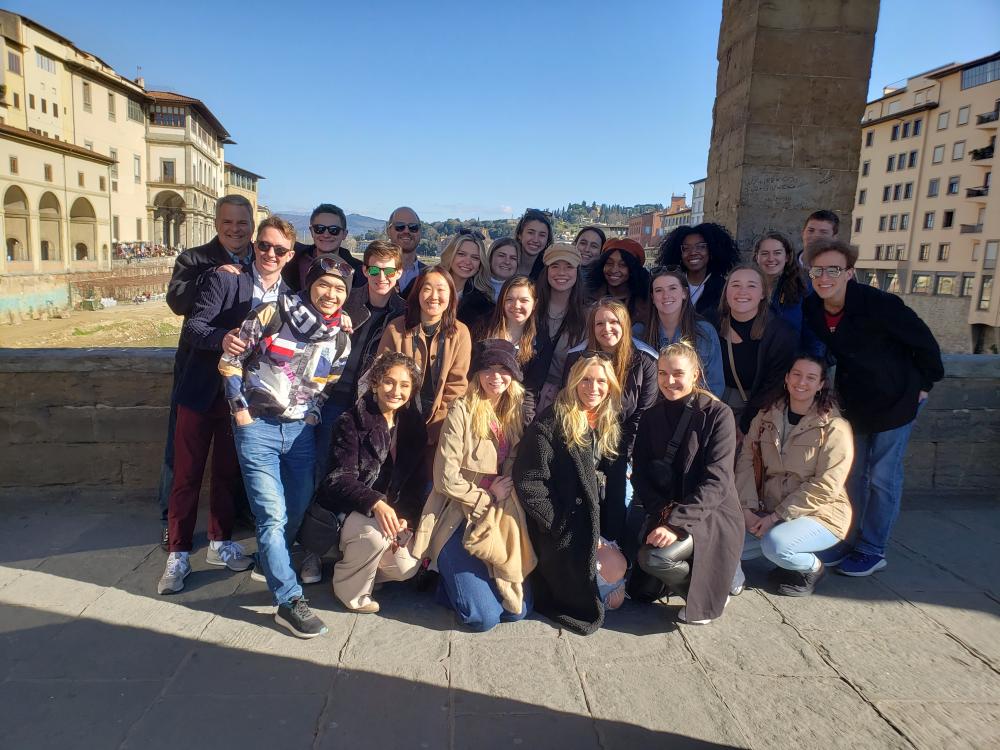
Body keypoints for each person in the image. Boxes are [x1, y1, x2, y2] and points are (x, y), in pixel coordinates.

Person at [220, 250, 353, 638]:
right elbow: (230, 360)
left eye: (339, 289)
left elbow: (329, 381)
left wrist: (313, 414)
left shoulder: (340, 337)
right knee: (272, 515)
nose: (330, 294)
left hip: (299, 433)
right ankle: (289, 601)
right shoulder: (271, 312)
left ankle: (268, 560)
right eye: (324, 284)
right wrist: (239, 410)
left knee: (296, 507)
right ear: (310, 284)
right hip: (257, 426)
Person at [157, 212, 283, 594]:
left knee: (228, 475)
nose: (270, 253)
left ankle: (219, 543)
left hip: (241, 400)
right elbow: (194, 326)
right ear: (255, 245)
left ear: (290, 255)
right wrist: (223, 339)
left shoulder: (287, 294)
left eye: (279, 249)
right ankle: (177, 553)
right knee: (187, 475)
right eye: (265, 246)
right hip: (200, 391)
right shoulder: (224, 276)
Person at [802, 237, 943, 576]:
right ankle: (846, 537)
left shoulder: (880, 304)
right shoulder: (813, 307)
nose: (824, 277)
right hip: (856, 401)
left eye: (833, 269)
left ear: (849, 273)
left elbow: (924, 343)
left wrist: (924, 385)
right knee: (850, 475)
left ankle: (872, 548)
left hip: (896, 399)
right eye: (817, 270)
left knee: (882, 477)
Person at [412, 339, 535, 631]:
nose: (496, 377)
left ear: (513, 375)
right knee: (483, 618)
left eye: (504, 369)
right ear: (477, 373)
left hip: (497, 522)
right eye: (488, 368)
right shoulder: (462, 410)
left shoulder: (514, 414)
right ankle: (446, 577)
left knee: (518, 611)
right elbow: (445, 478)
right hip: (458, 516)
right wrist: (488, 495)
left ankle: (457, 585)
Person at [157, 195, 255, 547]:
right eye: (228, 222)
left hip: (239, 384)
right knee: (181, 462)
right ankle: (172, 528)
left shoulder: (262, 257)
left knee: (229, 468)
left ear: (252, 225)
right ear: (216, 224)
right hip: (198, 375)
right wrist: (211, 277)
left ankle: (223, 533)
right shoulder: (194, 259)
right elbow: (177, 303)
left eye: (242, 222)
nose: (234, 229)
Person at [632, 341, 742, 625]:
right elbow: (642, 473)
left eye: (678, 373)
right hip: (668, 509)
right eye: (662, 373)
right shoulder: (651, 416)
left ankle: (712, 593)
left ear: (695, 374)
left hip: (711, 513)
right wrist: (661, 513)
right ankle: (715, 576)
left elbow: (716, 482)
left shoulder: (719, 415)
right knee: (639, 590)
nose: (669, 381)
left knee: (656, 559)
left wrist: (675, 523)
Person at [513, 353, 623, 635]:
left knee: (618, 584)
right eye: (585, 380)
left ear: (610, 386)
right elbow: (529, 481)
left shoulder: (609, 422)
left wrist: (612, 532)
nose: (593, 387)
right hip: (564, 527)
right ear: (573, 382)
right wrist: (559, 526)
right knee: (609, 589)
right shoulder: (550, 423)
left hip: (594, 520)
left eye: (601, 381)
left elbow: (616, 484)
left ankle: (603, 581)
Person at [315, 352, 428, 611]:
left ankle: (361, 568)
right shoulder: (351, 420)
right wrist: (375, 502)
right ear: (376, 383)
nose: (395, 391)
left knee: (407, 567)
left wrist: (405, 518)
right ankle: (350, 592)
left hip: (389, 514)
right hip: (350, 509)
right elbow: (338, 479)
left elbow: (415, 484)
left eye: (404, 385)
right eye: (389, 382)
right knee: (373, 537)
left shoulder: (413, 426)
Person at [735, 356, 854, 596]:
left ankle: (813, 568)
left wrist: (775, 517)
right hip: (769, 508)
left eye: (811, 377)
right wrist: (747, 510)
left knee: (777, 546)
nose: (802, 382)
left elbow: (825, 486)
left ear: (821, 384)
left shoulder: (834, 428)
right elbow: (746, 461)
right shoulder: (765, 416)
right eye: (797, 374)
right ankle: (782, 557)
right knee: (727, 545)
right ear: (787, 378)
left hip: (820, 513)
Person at [311, 239, 406, 526]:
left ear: (399, 273)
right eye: (375, 271)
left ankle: (342, 536)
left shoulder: (402, 312)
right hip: (332, 396)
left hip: (369, 403)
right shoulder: (346, 299)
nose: (382, 278)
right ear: (364, 271)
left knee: (357, 474)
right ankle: (315, 540)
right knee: (320, 470)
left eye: (389, 272)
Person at [564, 300, 658, 544]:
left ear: (625, 324)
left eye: (614, 322)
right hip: (585, 438)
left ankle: (615, 556)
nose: (607, 328)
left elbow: (643, 414)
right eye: (600, 323)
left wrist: (627, 456)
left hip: (624, 445)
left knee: (618, 507)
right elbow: (571, 404)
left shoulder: (645, 360)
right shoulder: (577, 358)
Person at [377, 267, 472, 446]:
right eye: (427, 289)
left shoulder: (460, 333)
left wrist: (436, 429)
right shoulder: (396, 328)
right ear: (417, 292)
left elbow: (456, 386)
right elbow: (381, 377)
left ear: (452, 296)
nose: (434, 296)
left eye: (441, 290)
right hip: (395, 423)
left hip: (437, 427)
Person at [718, 264, 797, 436]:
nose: (742, 291)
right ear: (726, 291)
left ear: (763, 293)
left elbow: (774, 384)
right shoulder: (711, 324)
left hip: (757, 411)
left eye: (751, 286)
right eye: (736, 285)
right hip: (716, 408)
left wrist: (745, 425)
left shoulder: (780, 332)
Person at [639, 266, 724, 396]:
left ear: (684, 293)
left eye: (672, 288)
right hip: (651, 412)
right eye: (659, 290)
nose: (666, 295)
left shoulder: (705, 332)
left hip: (694, 411)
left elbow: (715, 385)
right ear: (653, 298)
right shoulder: (638, 333)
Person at [524, 243, 588, 414]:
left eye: (568, 267)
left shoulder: (588, 316)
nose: (561, 272)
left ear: (577, 272)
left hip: (567, 402)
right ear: (546, 271)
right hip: (524, 397)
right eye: (555, 266)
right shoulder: (529, 309)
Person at [753, 231, 822, 356]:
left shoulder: (804, 287)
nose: (771, 258)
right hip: (754, 363)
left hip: (791, 364)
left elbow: (814, 334)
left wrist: (813, 364)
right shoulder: (746, 286)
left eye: (777, 253)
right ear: (756, 257)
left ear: (787, 257)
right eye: (764, 253)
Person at [656, 223, 740, 323]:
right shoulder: (668, 284)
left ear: (711, 250)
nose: (693, 252)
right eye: (686, 248)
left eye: (701, 247)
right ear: (679, 253)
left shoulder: (723, 288)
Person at [282, 203, 364, 292]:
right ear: (312, 231)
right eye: (319, 228)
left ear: (344, 234)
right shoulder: (288, 257)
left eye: (334, 230)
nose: (326, 235)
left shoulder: (359, 271)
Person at [439, 229, 494, 329]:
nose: (467, 261)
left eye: (475, 257)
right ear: (450, 255)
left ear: (480, 264)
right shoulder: (425, 286)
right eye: (461, 254)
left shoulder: (484, 307)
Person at [588, 238, 650, 324]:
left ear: (633, 269)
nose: (614, 270)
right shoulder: (589, 297)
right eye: (609, 263)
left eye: (623, 265)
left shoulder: (646, 302)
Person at [386, 207, 426, 298]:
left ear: (420, 232)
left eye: (413, 227)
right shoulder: (371, 272)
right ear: (388, 231)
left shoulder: (431, 275)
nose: (406, 231)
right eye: (399, 227)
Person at [514, 208, 554, 278]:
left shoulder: (549, 271)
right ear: (520, 234)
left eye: (542, 235)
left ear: (548, 239)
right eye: (530, 233)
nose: (535, 240)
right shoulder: (506, 262)